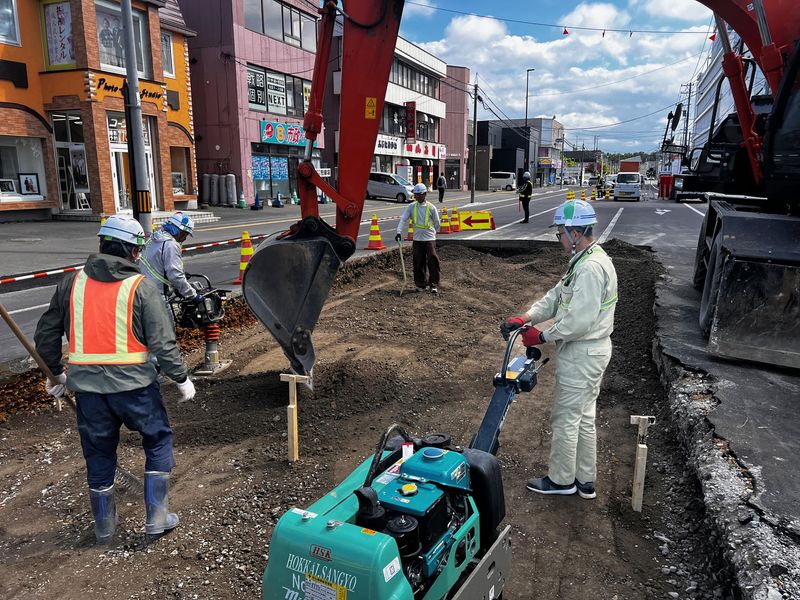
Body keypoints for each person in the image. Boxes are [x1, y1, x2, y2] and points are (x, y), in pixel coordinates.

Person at [34, 215, 196, 544]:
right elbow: (162, 344)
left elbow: (46, 334)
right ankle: (156, 517)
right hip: (136, 389)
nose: (139, 255)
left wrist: (56, 373)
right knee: (158, 440)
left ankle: (104, 527)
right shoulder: (142, 287)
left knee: (98, 452)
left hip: (90, 394)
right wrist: (181, 378)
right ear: (132, 251)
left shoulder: (71, 283)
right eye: (137, 250)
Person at [501, 200, 618, 499]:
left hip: (583, 352)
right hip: (590, 352)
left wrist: (540, 336)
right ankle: (584, 479)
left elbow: (577, 322)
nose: (558, 239)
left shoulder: (590, 268)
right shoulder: (585, 259)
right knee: (583, 417)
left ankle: (561, 481)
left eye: (560, 234)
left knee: (566, 418)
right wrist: (526, 318)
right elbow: (556, 297)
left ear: (575, 232)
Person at [140, 211, 200, 311]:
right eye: (185, 234)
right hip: (158, 296)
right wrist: (192, 295)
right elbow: (175, 275)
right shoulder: (170, 245)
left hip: (143, 291)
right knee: (166, 325)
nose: (185, 238)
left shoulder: (153, 239)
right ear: (178, 230)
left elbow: (156, 264)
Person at [395, 182, 442, 294]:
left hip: (429, 239)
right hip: (417, 240)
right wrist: (398, 232)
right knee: (418, 262)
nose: (416, 196)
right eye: (415, 194)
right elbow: (403, 219)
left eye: (419, 194)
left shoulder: (431, 208)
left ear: (425, 194)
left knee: (432, 259)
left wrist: (432, 234)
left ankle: (434, 284)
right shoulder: (411, 207)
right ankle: (421, 284)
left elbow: (437, 223)